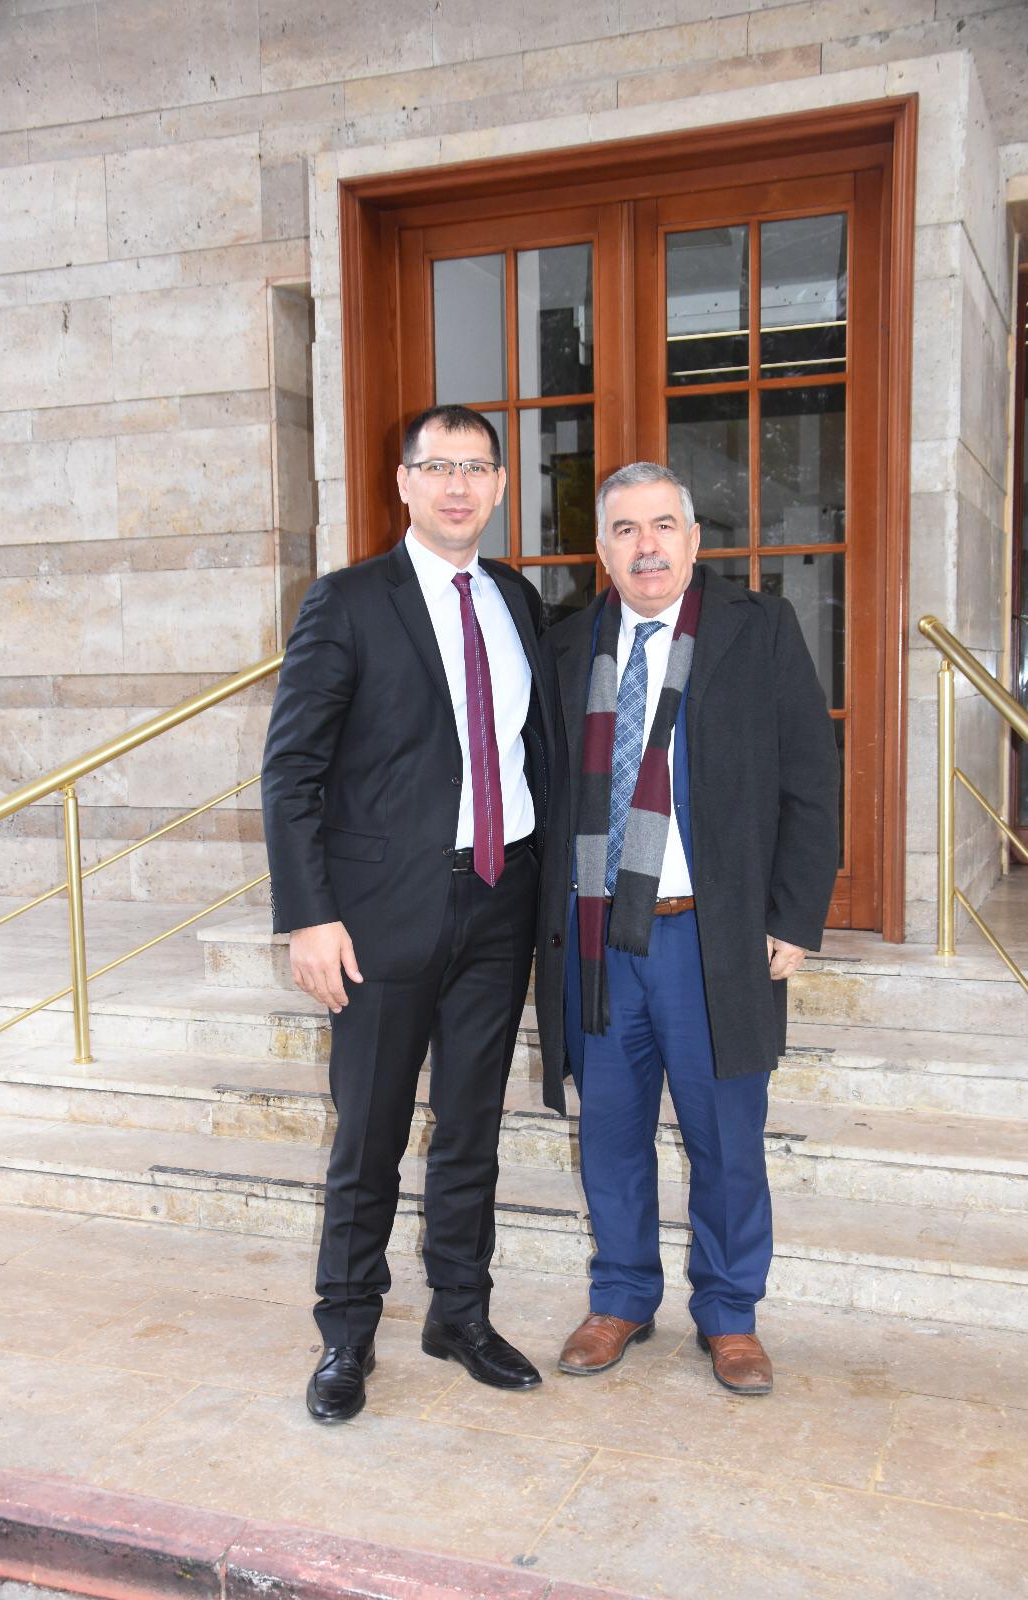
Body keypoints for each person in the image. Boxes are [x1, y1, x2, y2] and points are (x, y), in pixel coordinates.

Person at [262, 404, 553, 1422]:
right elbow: (291, 770)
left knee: (472, 1126)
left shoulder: (518, 599)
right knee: (370, 1135)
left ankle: (460, 1315)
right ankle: (347, 1334)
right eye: (437, 467)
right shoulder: (347, 601)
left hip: (501, 898)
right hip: (381, 915)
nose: (457, 485)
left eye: (475, 467)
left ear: (501, 484)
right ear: (403, 482)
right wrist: (309, 917)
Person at [534, 461, 840, 1395]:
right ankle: (621, 1296)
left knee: (726, 1141)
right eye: (626, 530)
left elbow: (811, 779)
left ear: (695, 539)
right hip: (597, 937)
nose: (647, 546)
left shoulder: (759, 629)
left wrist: (793, 915)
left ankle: (730, 1313)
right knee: (610, 1135)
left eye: (663, 525)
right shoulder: (566, 643)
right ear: (602, 550)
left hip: (712, 938)